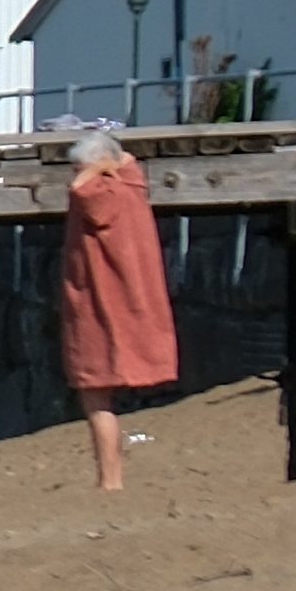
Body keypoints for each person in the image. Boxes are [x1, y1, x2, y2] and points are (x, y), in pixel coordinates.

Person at [54, 125, 176, 493]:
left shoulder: (94, 192)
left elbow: (79, 190)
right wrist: (112, 161)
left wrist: (94, 169)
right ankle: (111, 479)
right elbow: (130, 163)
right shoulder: (133, 188)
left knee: (95, 395)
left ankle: (110, 480)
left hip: (98, 307)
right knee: (100, 394)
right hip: (133, 305)